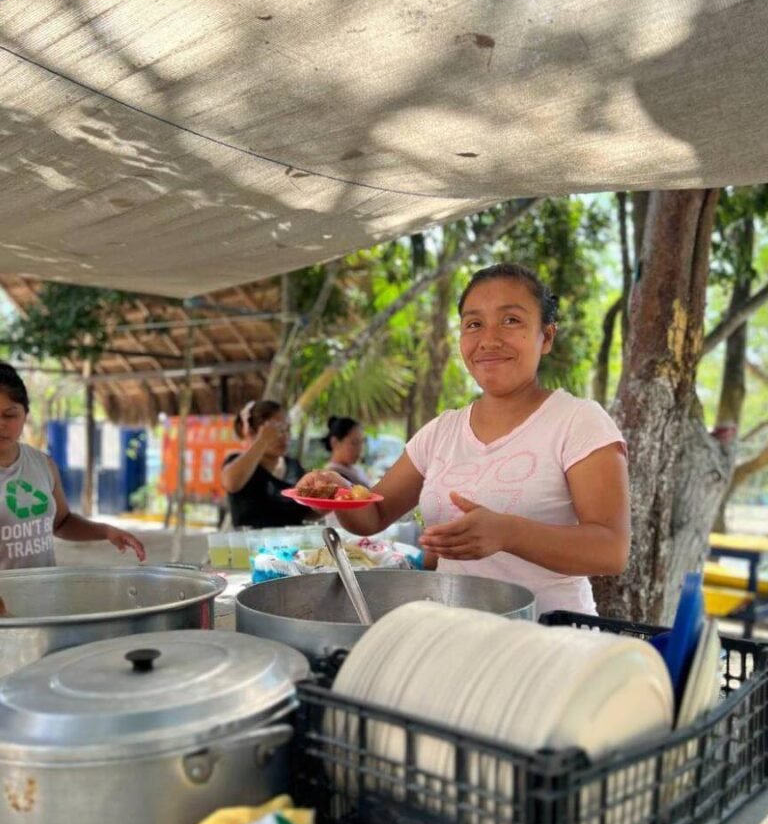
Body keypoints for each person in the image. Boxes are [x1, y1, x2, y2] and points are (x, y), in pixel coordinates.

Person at [296, 263, 630, 616]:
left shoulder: (578, 421)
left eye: (511, 320)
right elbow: (374, 515)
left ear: (546, 337)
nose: (489, 339)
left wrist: (508, 533)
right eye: (474, 324)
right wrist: (340, 493)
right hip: (460, 636)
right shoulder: (442, 432)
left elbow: (611, 550)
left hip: (549, 641)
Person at [0, 362, 146, 570]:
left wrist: (106, 531)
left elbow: (61, 522)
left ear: (25, 415)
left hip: (43, 596)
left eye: (9, 415)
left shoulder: (43, 464)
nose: (1, 424)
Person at [221, 400, 309, 529]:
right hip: (251, 546)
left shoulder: (294, 467)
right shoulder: (239, 463)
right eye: (277, 429)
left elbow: (308, 512)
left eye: (287, 429)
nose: (284, 436)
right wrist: (262, 440)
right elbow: (231, 483)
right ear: (253, 432)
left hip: (293, 545)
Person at [323, 416, 372, 487]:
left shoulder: (353, 469)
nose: (360, 448)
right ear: (335, 442)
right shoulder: (333, 476)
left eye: (362, 442)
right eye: (354, 443)